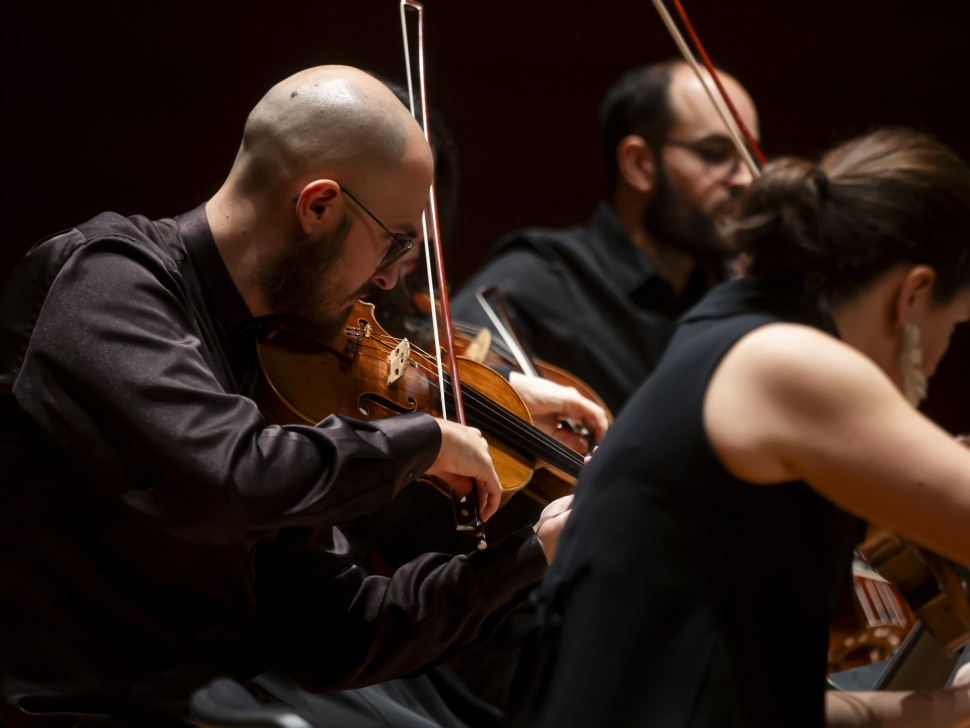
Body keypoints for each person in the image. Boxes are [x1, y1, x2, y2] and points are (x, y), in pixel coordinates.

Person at [0, 65, 574, 727]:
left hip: (223, 702)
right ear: (318, 205)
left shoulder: (274, 362)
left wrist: (533, 550)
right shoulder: (103, 282)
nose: (390, 278)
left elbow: (335, 633)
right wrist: (423, 439)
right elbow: (227, 479)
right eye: (394, 244)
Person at [506, 127, 970, 727]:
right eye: (955, 327)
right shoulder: (787, 363)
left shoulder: (727, 328)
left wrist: (951, 708)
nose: (939, 359)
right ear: (914, 294)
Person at [452, 59, 758, 416]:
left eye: (750, 155)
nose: (746, 180)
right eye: (716, 154)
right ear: (640, 164)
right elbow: (443, 357)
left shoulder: (725, 291)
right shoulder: (546, 275)